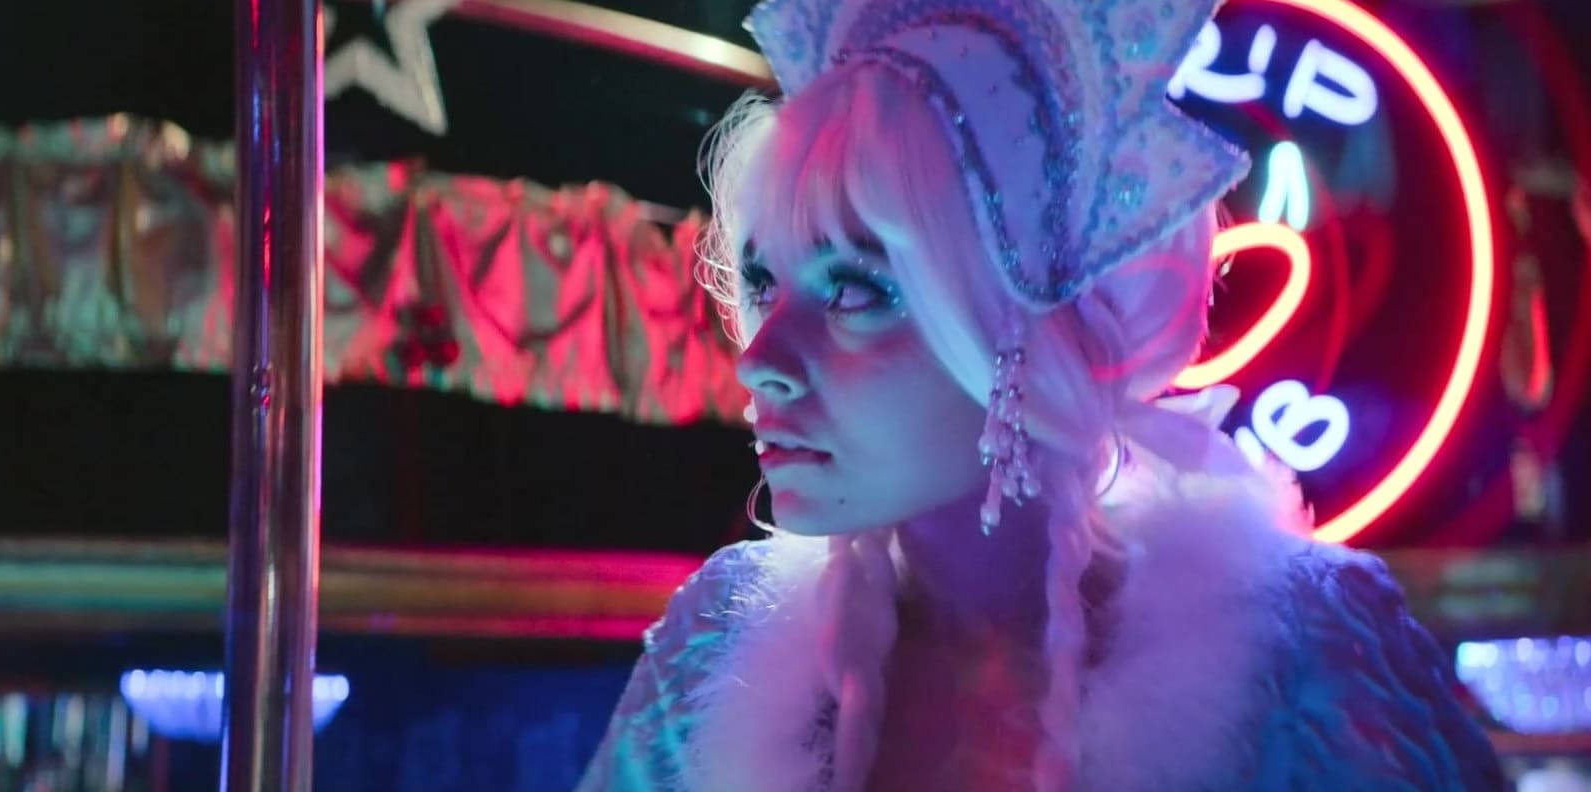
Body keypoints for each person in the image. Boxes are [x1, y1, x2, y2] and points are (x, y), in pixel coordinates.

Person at [577, 0, 1505, 789]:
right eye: (763, 283)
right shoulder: (716, 651)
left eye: (855, 290)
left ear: (1022, 334)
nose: (760, 359)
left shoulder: (1306, 657)